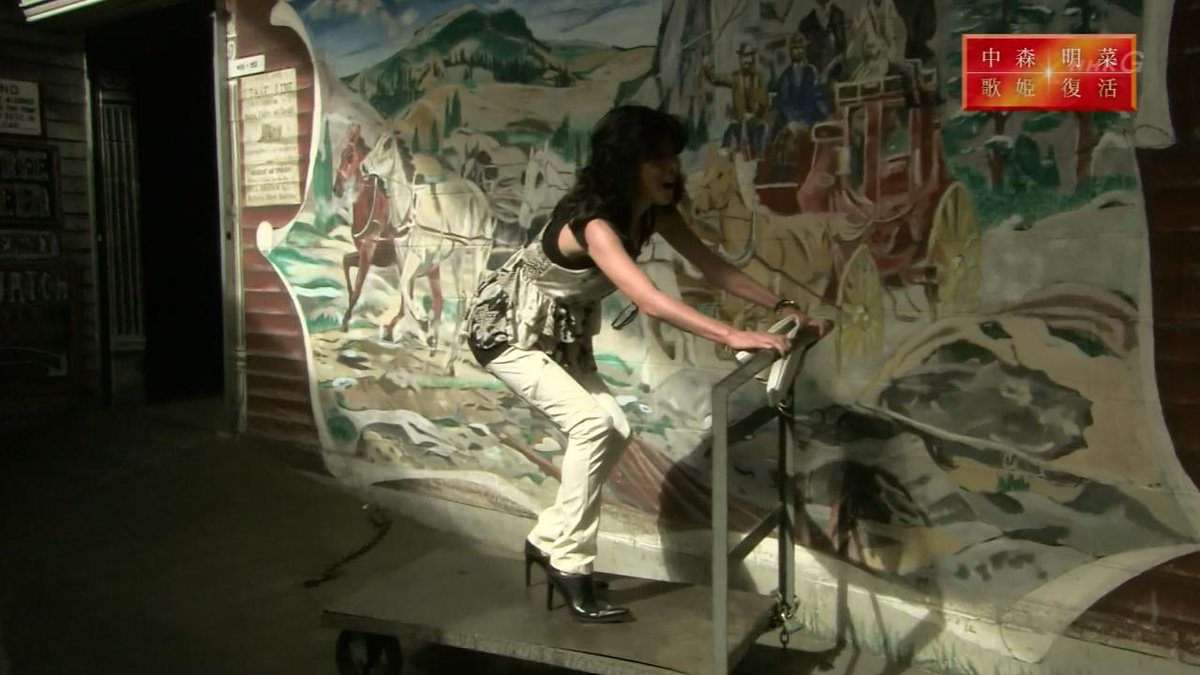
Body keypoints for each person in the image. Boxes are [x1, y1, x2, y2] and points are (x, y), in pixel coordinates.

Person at [464, 105, 822, 624]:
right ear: (624, 164)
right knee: (592, 425)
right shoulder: (594, 225)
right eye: (656, 160)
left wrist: (781, 305)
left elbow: (714, 268)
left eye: (673, 157)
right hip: (507, 330)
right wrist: (733, 335)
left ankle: (547, 540)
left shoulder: (655, 214)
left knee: (615, 428)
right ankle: (570, 565)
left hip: (561, 334)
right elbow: (650, 301)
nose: (671, 169)